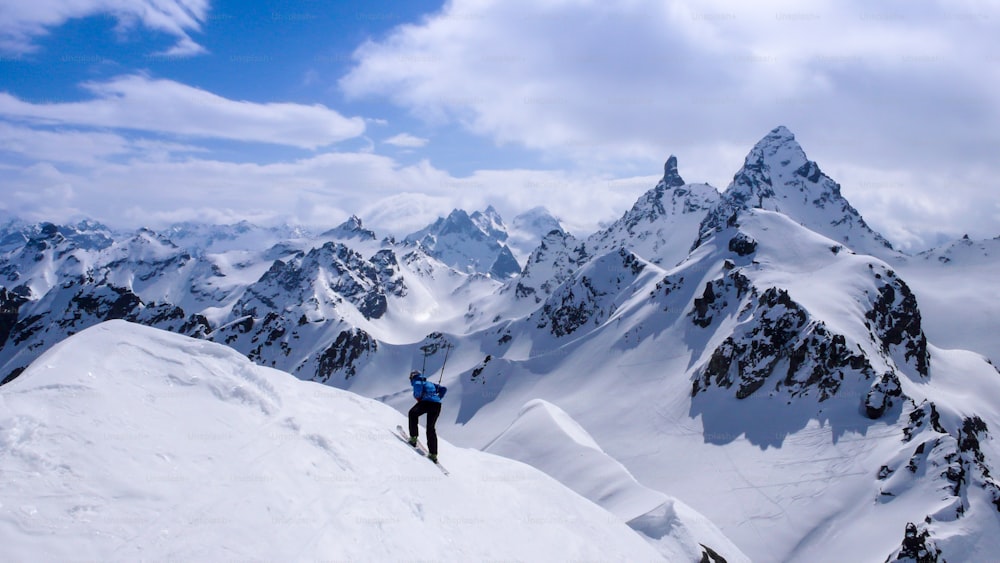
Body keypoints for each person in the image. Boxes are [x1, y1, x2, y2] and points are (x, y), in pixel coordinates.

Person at [407, 370, 447, 463]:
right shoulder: (430, 383)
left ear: (412, 377)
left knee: (412, 413)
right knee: (430, 428)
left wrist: (420, 398)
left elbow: (418, 395)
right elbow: (444, 389)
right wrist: (438, 397)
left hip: (426, 403)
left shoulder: (417, 382)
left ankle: (413, 438)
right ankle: (433, 454)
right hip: (437, 405)